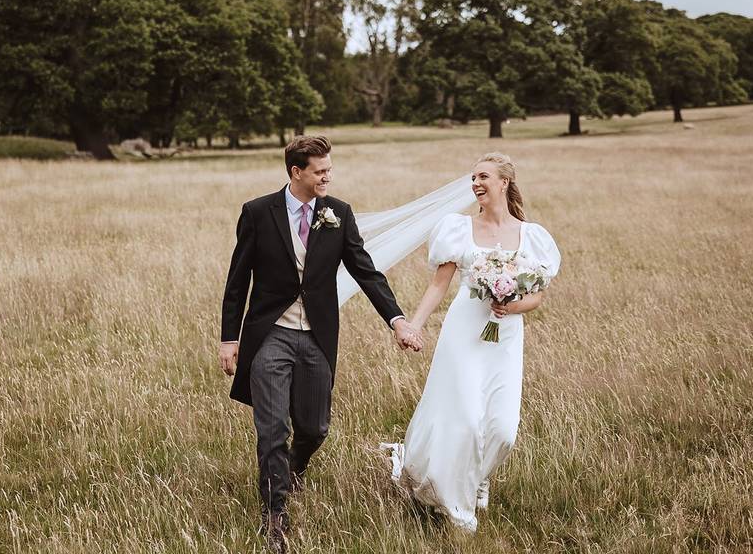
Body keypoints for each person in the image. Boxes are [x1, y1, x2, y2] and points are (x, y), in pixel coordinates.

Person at [219, 135, 423, 552]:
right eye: (320, 171)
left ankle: (293, 469)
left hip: (316, 337)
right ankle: (275, 515)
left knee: (314, 428)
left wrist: (397, 320)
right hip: (269, 335)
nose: (328, 176)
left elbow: (367, 272)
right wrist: (229, 337)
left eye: (329, 169)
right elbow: (238, 279)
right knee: (272, 428)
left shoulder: (339, 214)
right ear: (297, 172)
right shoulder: (258, 212)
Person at [382, 152, 561, 532]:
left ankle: (478, 476)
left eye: (483, 176)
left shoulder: (531, 236)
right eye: (473, 178)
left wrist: (511, 306)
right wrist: (413, 325)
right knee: (463, 420)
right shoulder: (458, 229)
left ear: (504, 182)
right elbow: (439, 285)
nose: (476, 183)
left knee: (502, 430)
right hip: (463, 332)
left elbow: (538, 296)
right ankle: (459, 512)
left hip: (505, 337)